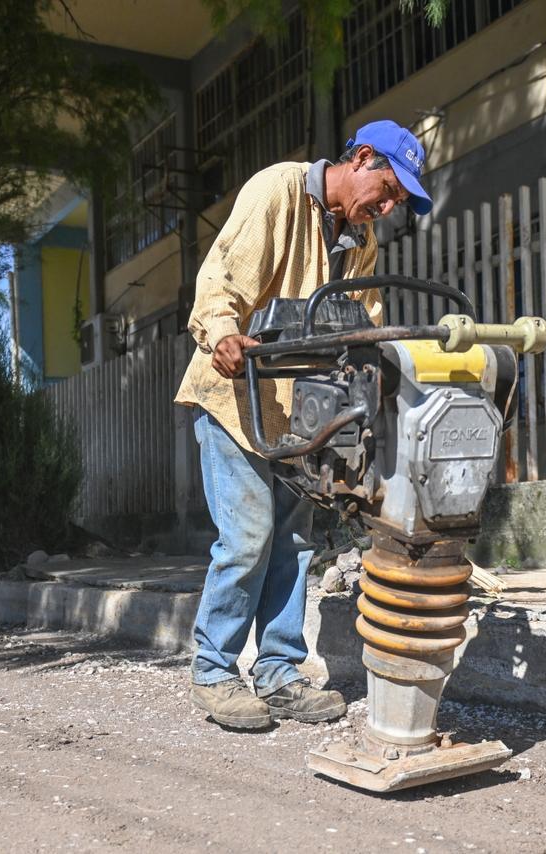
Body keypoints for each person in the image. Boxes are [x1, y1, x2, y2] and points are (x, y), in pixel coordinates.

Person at [173, 120, 433, 729]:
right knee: (247, 537)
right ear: (362, 158)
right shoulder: (279, 191)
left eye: (398, 202)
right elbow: (220, 278)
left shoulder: (361, 240)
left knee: (294, 540)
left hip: (304, 412)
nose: (389, 208)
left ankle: (279, 671)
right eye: (389, 190)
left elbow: (365, 325)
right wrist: (222, 332)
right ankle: (214, 672)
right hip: (236, 394)